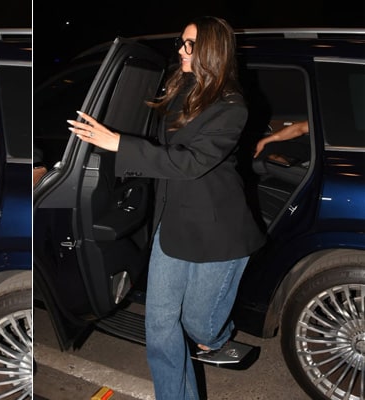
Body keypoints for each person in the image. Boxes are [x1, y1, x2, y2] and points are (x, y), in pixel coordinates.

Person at [67, 16, 266, 400]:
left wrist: (120, 144)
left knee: (199, 326)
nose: (181, 49)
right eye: (181, 41)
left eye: (190, 44)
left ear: (213, 50)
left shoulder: (232, 107)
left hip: (218, 232)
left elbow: (189, 162)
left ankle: (218, 337)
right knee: (159, 327)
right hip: (172, 225)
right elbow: (159, 148)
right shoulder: (181, 91)